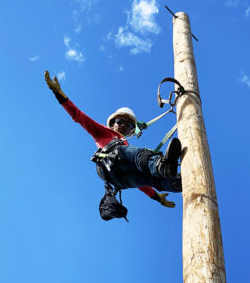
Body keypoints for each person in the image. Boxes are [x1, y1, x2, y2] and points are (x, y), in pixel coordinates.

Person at [44, 71, 182, 208]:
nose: (123, 125)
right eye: (120, 121)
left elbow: (143, 186)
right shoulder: (103, 132)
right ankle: (162, 165)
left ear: (131, 130)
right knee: (137, 154)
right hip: (109, 163)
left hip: (122, 180)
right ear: (113, 123)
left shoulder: (127, 145)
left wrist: (157, 198)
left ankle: (176, 182)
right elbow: (79, 116)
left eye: (128, 125)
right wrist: (59, 94)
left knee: (149, 176)